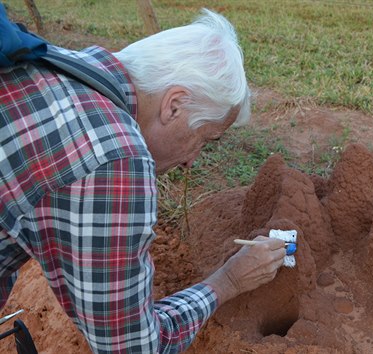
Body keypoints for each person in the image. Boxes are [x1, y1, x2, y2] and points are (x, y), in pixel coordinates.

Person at [0, 8, 286, 353]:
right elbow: (131, 347)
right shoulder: (115, 159)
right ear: (174, 105)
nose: (190, 162)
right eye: (204, 139)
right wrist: (228, 281)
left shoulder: (59, 64)